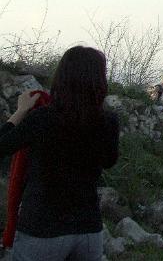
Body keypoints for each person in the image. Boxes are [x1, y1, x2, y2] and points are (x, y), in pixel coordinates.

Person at [0, 45, 119, 261]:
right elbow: (110, 161)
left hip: (42, 230)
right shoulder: (109, 122)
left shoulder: (43, 119)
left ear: (62, 77)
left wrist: (20, 111)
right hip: (88, 231)